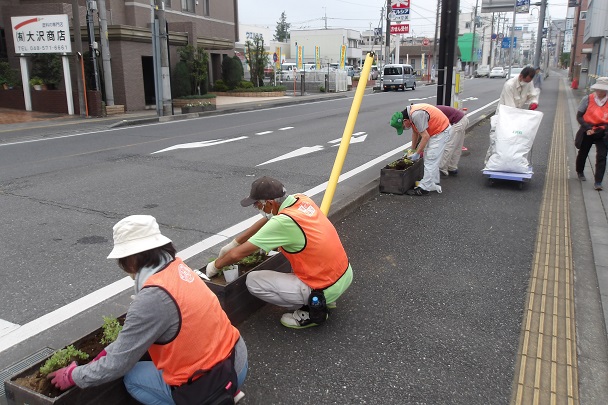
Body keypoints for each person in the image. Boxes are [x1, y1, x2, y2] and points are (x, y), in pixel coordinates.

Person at [48, 215, 248, 405]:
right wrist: (105, 352)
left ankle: (209, 398)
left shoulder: (152, 298)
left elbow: (118, 364)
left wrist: (74, 376)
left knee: (133, 378)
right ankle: (229, 390)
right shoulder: (178, 268)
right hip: (236, 360)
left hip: (209, 381)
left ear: (131, 259)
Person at [206, 176, 353, 329]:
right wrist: (235, 242)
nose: (257, 209)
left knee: (253, 281)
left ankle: (311, 310)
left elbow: (237, 255)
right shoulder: (300, 199)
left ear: (269, 203)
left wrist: (214, 267)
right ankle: (328, 296)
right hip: (343, 274)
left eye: (257, 205)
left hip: (323, 286)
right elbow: (268, 219)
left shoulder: (283, 222)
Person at [390, 104, 452, 195]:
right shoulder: (411, 115)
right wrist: (412, 150)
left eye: (403, 126)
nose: (405, 128)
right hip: (436, 132)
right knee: (429, 158)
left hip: (440, 132)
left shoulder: (416, 115)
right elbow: (415, 133)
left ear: (405, 120)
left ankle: (424, 189)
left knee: (431, 159)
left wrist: (417, 153)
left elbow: (425, 136)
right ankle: (431, 182)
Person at [485, 66, 539, 163]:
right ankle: (490, 163)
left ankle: (511, 163)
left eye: (528, 81)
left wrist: (534, 102)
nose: (526, 83)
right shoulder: (509, 85)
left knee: (514, 141)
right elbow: (510, 107)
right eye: (525, 81)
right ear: (521, 76)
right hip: (503, 116)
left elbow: (532, 95)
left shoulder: (528, 82)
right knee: (496, 140)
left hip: (516, 115)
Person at [575, 77, 608, 190]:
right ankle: (580, 171)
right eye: (598, 89)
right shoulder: (587, 99)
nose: (599, 92)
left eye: (602, 90)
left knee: (602, 156)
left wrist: (602, 128)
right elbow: (579, 116)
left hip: (603, 131)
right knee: (583, 152)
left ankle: (598, 181)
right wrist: (587, 127)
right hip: (588, 129)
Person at [436, 105, 469, 177]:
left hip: (458, 122)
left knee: (448, 146)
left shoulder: (430, 115)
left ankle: (442, 170)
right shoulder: (431, 110)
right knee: (457, 146)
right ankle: (452, 167)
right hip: (462, 119)